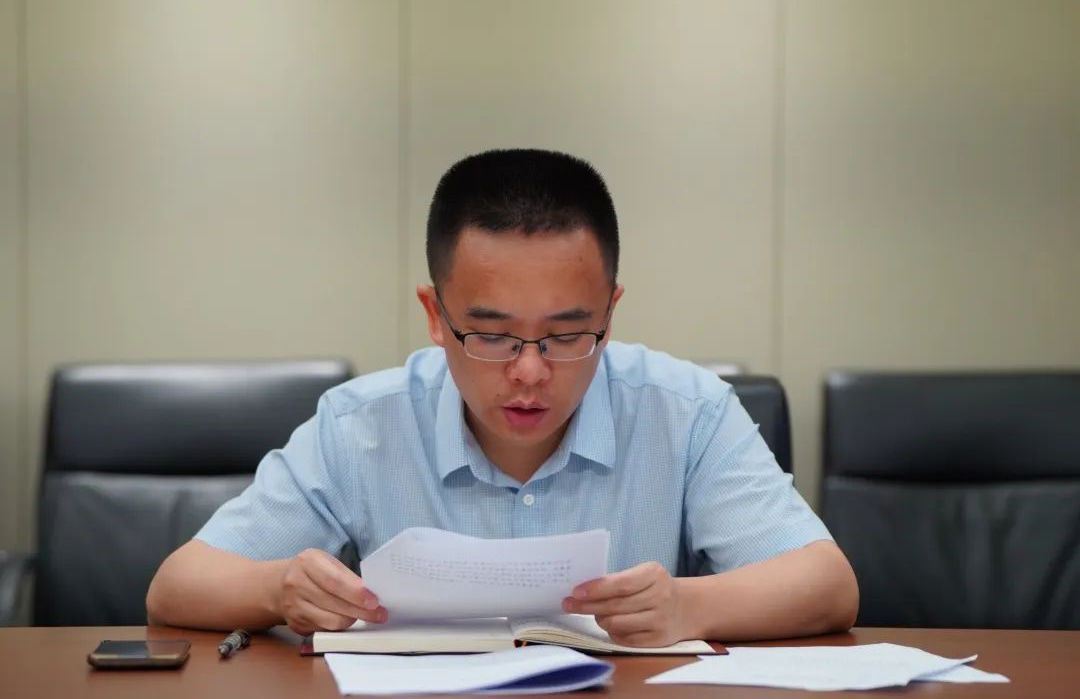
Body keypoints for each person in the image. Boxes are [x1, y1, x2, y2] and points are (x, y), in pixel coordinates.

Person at [147, 149, 858, 646]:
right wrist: (280, 588)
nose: (529, 371)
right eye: (490, 335)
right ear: (435, 314)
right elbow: (177, 586)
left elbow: (828, 585)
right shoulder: (362, 424)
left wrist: (687, 604)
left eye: (567, 334)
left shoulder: (686, 411)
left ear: (610, 312)